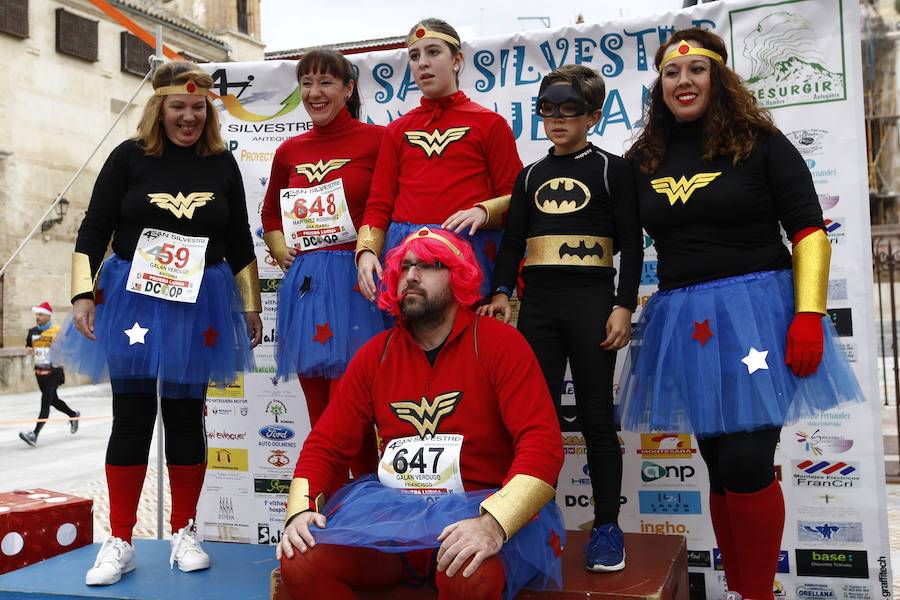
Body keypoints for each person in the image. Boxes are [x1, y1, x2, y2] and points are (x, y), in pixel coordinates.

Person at [618, 29, 864, 599]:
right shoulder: (641, 160)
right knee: (718, 463)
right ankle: (744, 588)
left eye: (697, 70)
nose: (684, 82)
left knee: (750, 460)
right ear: (661, 86)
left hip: (759, 317)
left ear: (718, 77)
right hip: (688, 325)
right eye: (672, 74)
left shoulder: (761, 143)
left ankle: (757, 593)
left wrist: (809, 312)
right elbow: (612, 229)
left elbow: (808, 229)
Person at [50, 61, 262, 586]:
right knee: (132, 417)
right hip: (134, 304)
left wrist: (251, 303)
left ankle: (184, 531)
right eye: (178, 107)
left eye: (198, 107)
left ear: (208, 110)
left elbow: (237, 238)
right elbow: (95, 225)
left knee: (188, 417)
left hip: (200, 305)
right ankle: (119, 537)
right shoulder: (129, 157)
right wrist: (81, 293)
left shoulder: (221, 164)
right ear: (159, 108)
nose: (189, 116)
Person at [278, 227, 565, 600]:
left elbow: (542, 445)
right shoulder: (375, 355)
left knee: (469, 573)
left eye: (429, 265)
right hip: (394, 523)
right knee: (300, 560)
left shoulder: (500, 343)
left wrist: (493, 524)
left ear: (459, 276)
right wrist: (299, 511)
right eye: (404, 267)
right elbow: (326, 444)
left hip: (477, 516)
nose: (411, 275)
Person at [479, 64, 642, 573]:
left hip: (594, 303)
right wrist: (502, 290)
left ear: (593, 116)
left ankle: (607, 526)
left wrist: (624, 304)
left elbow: (633, 245)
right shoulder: (529, 175)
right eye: (546, 110)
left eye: (568, 111)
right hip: (540, 308)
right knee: (536, 421)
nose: (555, 119)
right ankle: (534, 521)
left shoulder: (614, 169)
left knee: (595, 417)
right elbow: (511, 242)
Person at [261, 50, 384, 489]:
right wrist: (280, 248)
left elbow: (386, 204)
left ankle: (369, 515)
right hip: (307, 289)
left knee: (356, 413)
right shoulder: (290, 149)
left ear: (348, 89)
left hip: (357, 288)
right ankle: (324, 522)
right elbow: (270, 213)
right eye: (307, 83)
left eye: (326, 82)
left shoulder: (379, 140)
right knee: (321, 418)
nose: (315, 92)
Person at [356, 18, 523, 302]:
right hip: (407, 258)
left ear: (457, 60)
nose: (422, 62)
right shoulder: (397, 130)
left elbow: (517, 196)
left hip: (469, 257)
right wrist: (367, 251)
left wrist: (484, 211)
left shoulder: (490, 124)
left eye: (433, 52)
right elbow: (379, 203)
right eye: (414, 55)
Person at [19, 302, 79, 447]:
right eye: (36, 315)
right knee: (53, 400)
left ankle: (34, 434)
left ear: (48, 316)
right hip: (40, 373)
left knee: (45, 401)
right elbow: (29, 347)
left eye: (40, 314)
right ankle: (73, 414)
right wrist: (28, 352)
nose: (37, 317)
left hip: (54, 373)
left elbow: (67, 349)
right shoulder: (32, 332)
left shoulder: (58, 331)